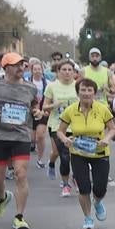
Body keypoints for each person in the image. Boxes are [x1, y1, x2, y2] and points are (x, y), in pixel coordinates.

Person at [57, 76, 115, 229]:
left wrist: (106, 139)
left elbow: (113, 129)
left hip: (100, 153)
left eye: (90, 90)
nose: (86, 93)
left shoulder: (102, 109)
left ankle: (97, 202)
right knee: (83, 188)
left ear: (94, 93)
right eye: (83, 90)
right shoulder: (71, 110)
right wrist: (65, 139)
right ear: (78, 92)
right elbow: (60, 131)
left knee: (100, 189)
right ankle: (88, 218)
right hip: (78, 153)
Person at [0, 52, 36, 229]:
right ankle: (3, 197)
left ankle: (19, 217)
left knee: (21, 174)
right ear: (6, 68)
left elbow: (35, 105)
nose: (21, 68)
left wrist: (37, 111)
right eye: (16, 65)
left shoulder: (30, 88)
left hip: (21, 137)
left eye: (22, 64)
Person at [43, 60, 79, 196]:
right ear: (58, 72)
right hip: (57, 125)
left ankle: (75, 177)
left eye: (70, 70)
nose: (67, 72)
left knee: (76, 155)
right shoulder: (52, 86)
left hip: (76, 125)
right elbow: (44, 107)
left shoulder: (78, 85)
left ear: (74, 72)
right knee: (62, 155)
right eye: (64, 69)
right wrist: (54, 105)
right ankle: (65, 184)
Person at [26, 58, 50, 169]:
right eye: (35, 69)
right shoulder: (27, 82)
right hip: (30, 112)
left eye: (39, 69)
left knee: (40, 136)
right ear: (31, 70)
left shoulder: (47, 83)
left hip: (43, 112)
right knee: (32, 138)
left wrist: (46, 110)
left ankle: (40, 159)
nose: (37, 71)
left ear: (42, 70)